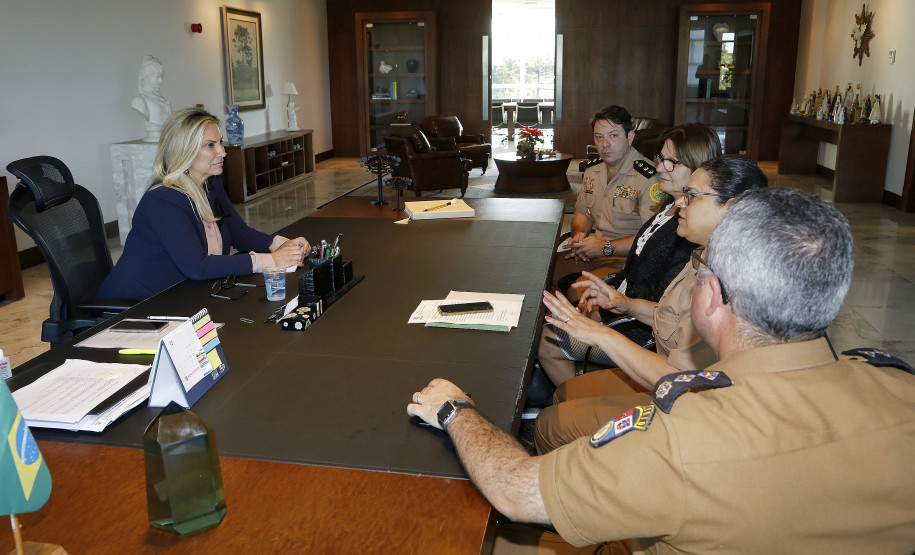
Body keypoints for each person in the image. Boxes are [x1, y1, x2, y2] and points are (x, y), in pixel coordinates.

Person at [407, 187, 915, 553]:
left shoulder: (684, 439)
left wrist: (455, 408)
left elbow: (517, 491)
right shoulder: (899, 385)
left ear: (710, 296)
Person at [535, 156, 767, 453]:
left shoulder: (726, 280)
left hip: (691, 404)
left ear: (731, 206)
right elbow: (671, 316)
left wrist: (600, 335)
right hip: (670, 376)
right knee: (566, 393)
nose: (680, 204)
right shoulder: (704, 252)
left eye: (692, 196)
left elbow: (684, 380)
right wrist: (626, 304)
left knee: (551, 424)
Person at [538, 123, 720, 388]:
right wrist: (610, 296)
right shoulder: (669, 205)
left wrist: (611, 310)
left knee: (546, 340)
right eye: (661, 159)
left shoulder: (688, 230)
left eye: (672, 162)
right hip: (624, 306)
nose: (660, 168)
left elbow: (663, 303)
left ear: (698, 167)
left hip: (640, 330)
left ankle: (580, 398)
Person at [97, 107, 310, 301]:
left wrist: (283, 246)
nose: (223, 152)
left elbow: (239, 233)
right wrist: (272, 260)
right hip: (136, 306)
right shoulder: (163, 199)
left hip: (184, 295)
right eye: (211, 145)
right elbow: (197, 266)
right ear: (184, 150)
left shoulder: (211, 184)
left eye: (220, 142)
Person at [551, 105, 658, 297]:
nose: (605, 144)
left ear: (630, 137)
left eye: (613, 136)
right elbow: (583, 213)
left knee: (580, 295)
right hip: (589, 253)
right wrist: (579, 237)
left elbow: (651, 238)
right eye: (599, 137)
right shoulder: (593, 170)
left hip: (624, 261)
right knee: (541, 274)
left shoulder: (648, 178)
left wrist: (605, 248)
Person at [131, 55, 172, 143]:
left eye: (161, 77)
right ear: (146, 77)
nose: (161, 81)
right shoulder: (139, 100)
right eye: (158, 77)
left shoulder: (162, 100)